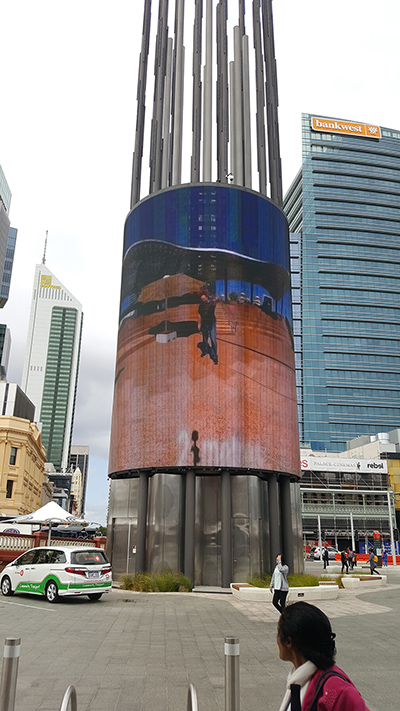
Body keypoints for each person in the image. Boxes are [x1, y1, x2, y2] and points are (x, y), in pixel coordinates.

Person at [277, 601, 370, 710]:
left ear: (288, 642)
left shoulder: (336, 691)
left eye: (278, 633)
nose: (276, 639)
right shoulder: (297, 680)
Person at [197, 290, 218, 364]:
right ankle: (205, 351)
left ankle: (214, 356)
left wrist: (215, 300)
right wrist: (199, 324)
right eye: (202, 299)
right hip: (204, 324)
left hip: (211, 323)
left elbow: (214, 304)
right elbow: (199, 315)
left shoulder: (211, 303)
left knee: (213, 339)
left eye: (204, 298)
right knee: (205, 339)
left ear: (207, 297)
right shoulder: (200, 306)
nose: (203, 300)